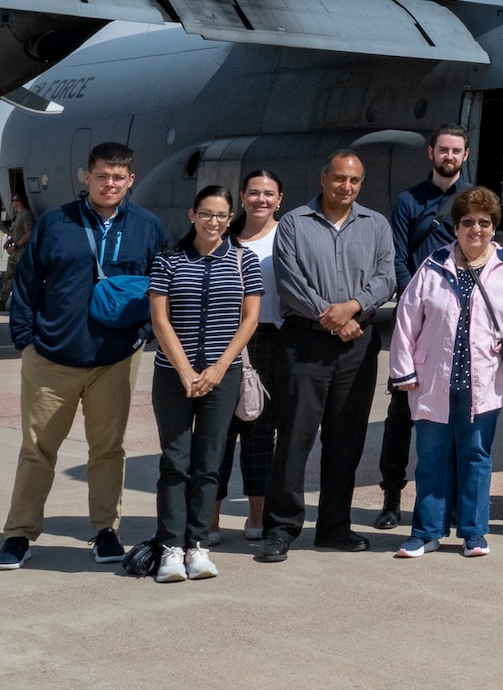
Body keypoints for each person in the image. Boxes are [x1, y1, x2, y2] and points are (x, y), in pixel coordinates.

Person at [0, 142, 167, 571]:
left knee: (108, 450)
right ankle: (19, 534)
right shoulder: (56, 223)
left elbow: (161, 283)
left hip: (115, 360)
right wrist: (26, 339)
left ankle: (106, 530)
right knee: (37, 449)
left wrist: (142, 333)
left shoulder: (148, 226)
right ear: (86, 177)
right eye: (102, 176)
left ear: (131, 180)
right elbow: (28, 282)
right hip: (52, 357)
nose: (110, 184)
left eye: (118, 177)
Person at [388, 187, 503, 558]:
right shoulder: (433, 265)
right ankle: (426, 531)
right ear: (455, 227)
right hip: (433, 378)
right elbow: (407, 320)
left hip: (484, 378)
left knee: (476, 454)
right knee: (431, 456)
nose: (476, 229)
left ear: (494, 227)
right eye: (468, 222)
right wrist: (403, 371)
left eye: (484, 222)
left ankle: (474, 533)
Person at [256, 151, 394, 562]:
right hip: (305, 343)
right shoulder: (295, 224)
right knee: (295, 437)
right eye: (338, 179)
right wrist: (331, 317)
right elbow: (290, 279)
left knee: (346, 440)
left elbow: (387, 276)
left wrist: (353, 306)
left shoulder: (376, 225)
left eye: (353, 181)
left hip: (357, 345)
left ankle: (334, 527)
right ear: (323, 178)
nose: (345, 187)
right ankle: (281, 528)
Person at [147, 185, 262, 582]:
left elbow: (249, 320)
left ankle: (198, 545)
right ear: (191, 215)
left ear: (231, 220)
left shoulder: (244, 261)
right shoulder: (168, 260)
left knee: (209, 466)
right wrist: (184, 371)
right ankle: (171, 549)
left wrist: (216, 370)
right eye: (207, 214)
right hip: (172, 375)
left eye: (222, 216)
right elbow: (160, 319)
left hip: (222, 376)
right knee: (175, 463)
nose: (214, 222)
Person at [377, 126, 472, 530]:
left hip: (460, 321)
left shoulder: (472, 200)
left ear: (465, 156)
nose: (449, 156)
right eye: (443, 149)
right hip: (416, 321)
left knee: (451, 417)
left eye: (456, 151)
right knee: (401, 414)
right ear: (430, 152)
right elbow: (397, 256)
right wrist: (414, 298)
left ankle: (442, 502)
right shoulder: (408, 201)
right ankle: (391, 497)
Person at [214, 170, 286, 543]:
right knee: (220, 431)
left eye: (268, 193)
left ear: (280, 199)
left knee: (260, 431)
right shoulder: (224, 238)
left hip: (270, 339)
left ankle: (255, 516)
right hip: (223, 340)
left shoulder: (287, 237)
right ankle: (210, 517)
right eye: (254, 192)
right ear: (241, 197)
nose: (261, 199)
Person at [0, 193, 36, 311]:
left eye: (13, 200)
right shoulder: (17, 216)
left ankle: (21, 303)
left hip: (22, 252)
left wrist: (17, 245)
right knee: (8, 276)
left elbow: (29, 233)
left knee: (21, 278)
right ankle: (1, 301)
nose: (12, 203)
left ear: (19, 202)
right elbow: (17, 233)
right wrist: (9, 242)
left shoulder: (26, 215)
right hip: (15, 252)